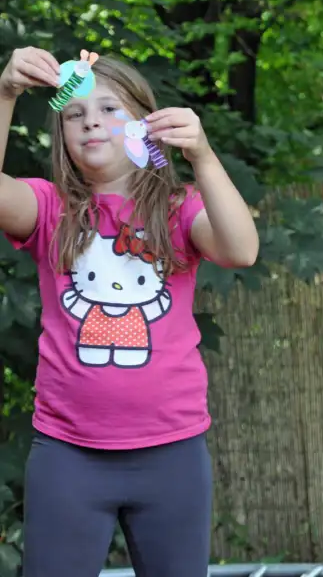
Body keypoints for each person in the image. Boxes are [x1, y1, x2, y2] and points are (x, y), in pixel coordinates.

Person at [0, 46, 259, 577]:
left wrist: (203, 157)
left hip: (173, 454)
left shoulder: (179, 208)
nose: (91, 120)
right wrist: (5, 93)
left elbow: (241, 250)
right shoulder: (50, 207)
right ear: (63, 136)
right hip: (67, 455)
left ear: (147, 125)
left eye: (111, 109)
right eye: (75, 113)